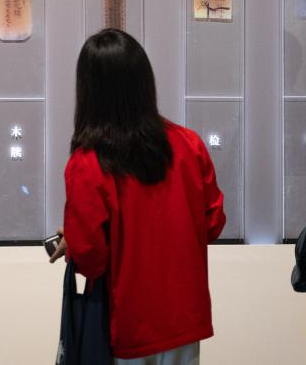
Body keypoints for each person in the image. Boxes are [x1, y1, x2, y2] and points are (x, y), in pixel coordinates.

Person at [51, 28, 226, 364]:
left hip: (127, 326)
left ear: (89, 90)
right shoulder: (189, 144)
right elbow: (213, 224)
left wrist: (74, 241)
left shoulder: (88, 163)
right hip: (185, 319)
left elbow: (90, 258)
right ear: (144, 81)